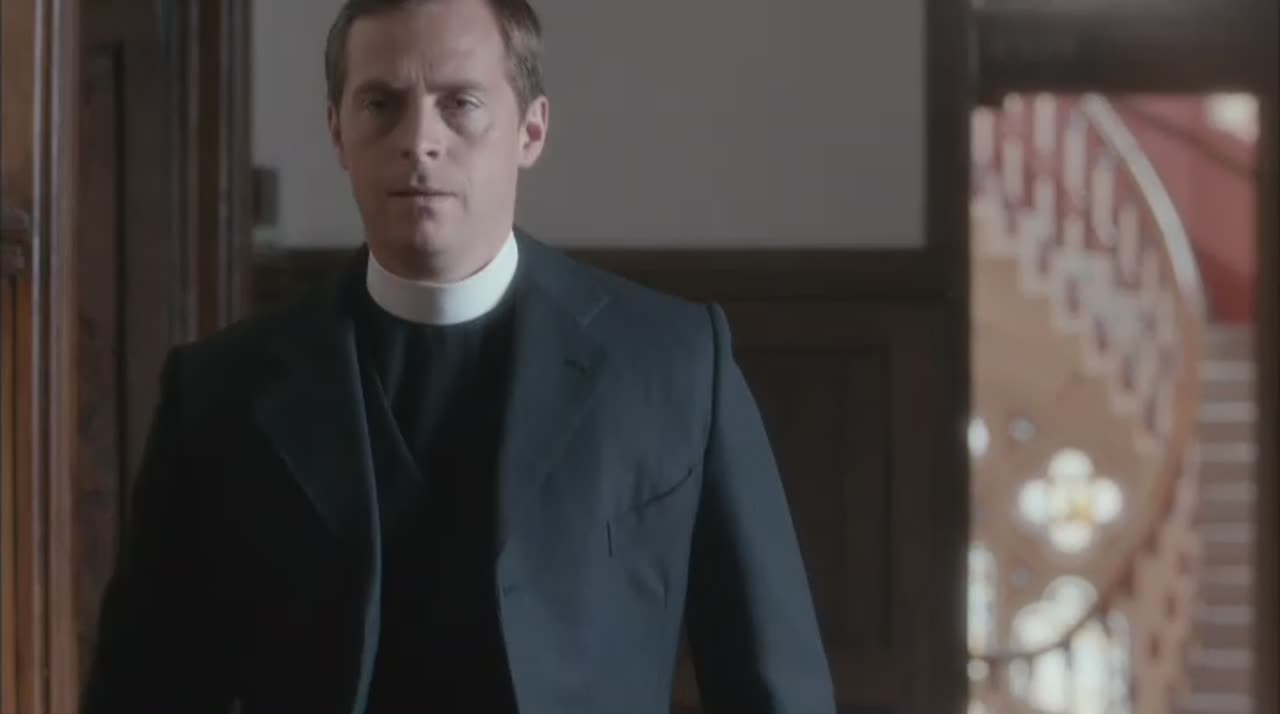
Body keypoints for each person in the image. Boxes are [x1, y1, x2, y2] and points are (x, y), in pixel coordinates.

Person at [81, 0, 835, 712]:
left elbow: (775, 690)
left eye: (461, 103)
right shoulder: (220, 394)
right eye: (381, 104)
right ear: (338, 132)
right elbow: (146, 693)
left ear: (531, 131)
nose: (419, 140)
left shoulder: (673, 367)